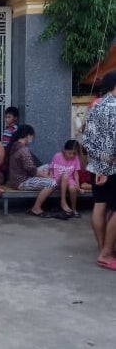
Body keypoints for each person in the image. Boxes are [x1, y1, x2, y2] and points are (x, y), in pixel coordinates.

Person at [83, 70, 116, 271]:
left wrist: (101, 158)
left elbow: (86, 139)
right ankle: (106, 253)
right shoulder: (115, 107)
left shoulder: (95, 106)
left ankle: (103, 248)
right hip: (113, 166)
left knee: (99, 204)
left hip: (97, 165)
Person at [8, 124, 56, 217]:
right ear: (27, 135)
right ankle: (36, 208)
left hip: (17, 178)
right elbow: (31, 169)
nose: (32, 138)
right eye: (32, 135)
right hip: (22, 182)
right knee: (52, 183)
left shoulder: (15, 145)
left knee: (48, 166)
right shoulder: (23, 149)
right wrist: (47, 177)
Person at [49, 139, 83, 219]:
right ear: (64, 150)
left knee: (72, 188)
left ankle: (73, 209)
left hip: (69, 181)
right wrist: (50, 180)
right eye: (69, 153)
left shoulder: (76, 158)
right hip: (57, 180)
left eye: (74, 153)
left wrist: (78, 186)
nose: (72, 155)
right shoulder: (57, 156)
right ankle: (63, 202)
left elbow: (76, 173)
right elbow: (51, 169)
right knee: (65, 176)